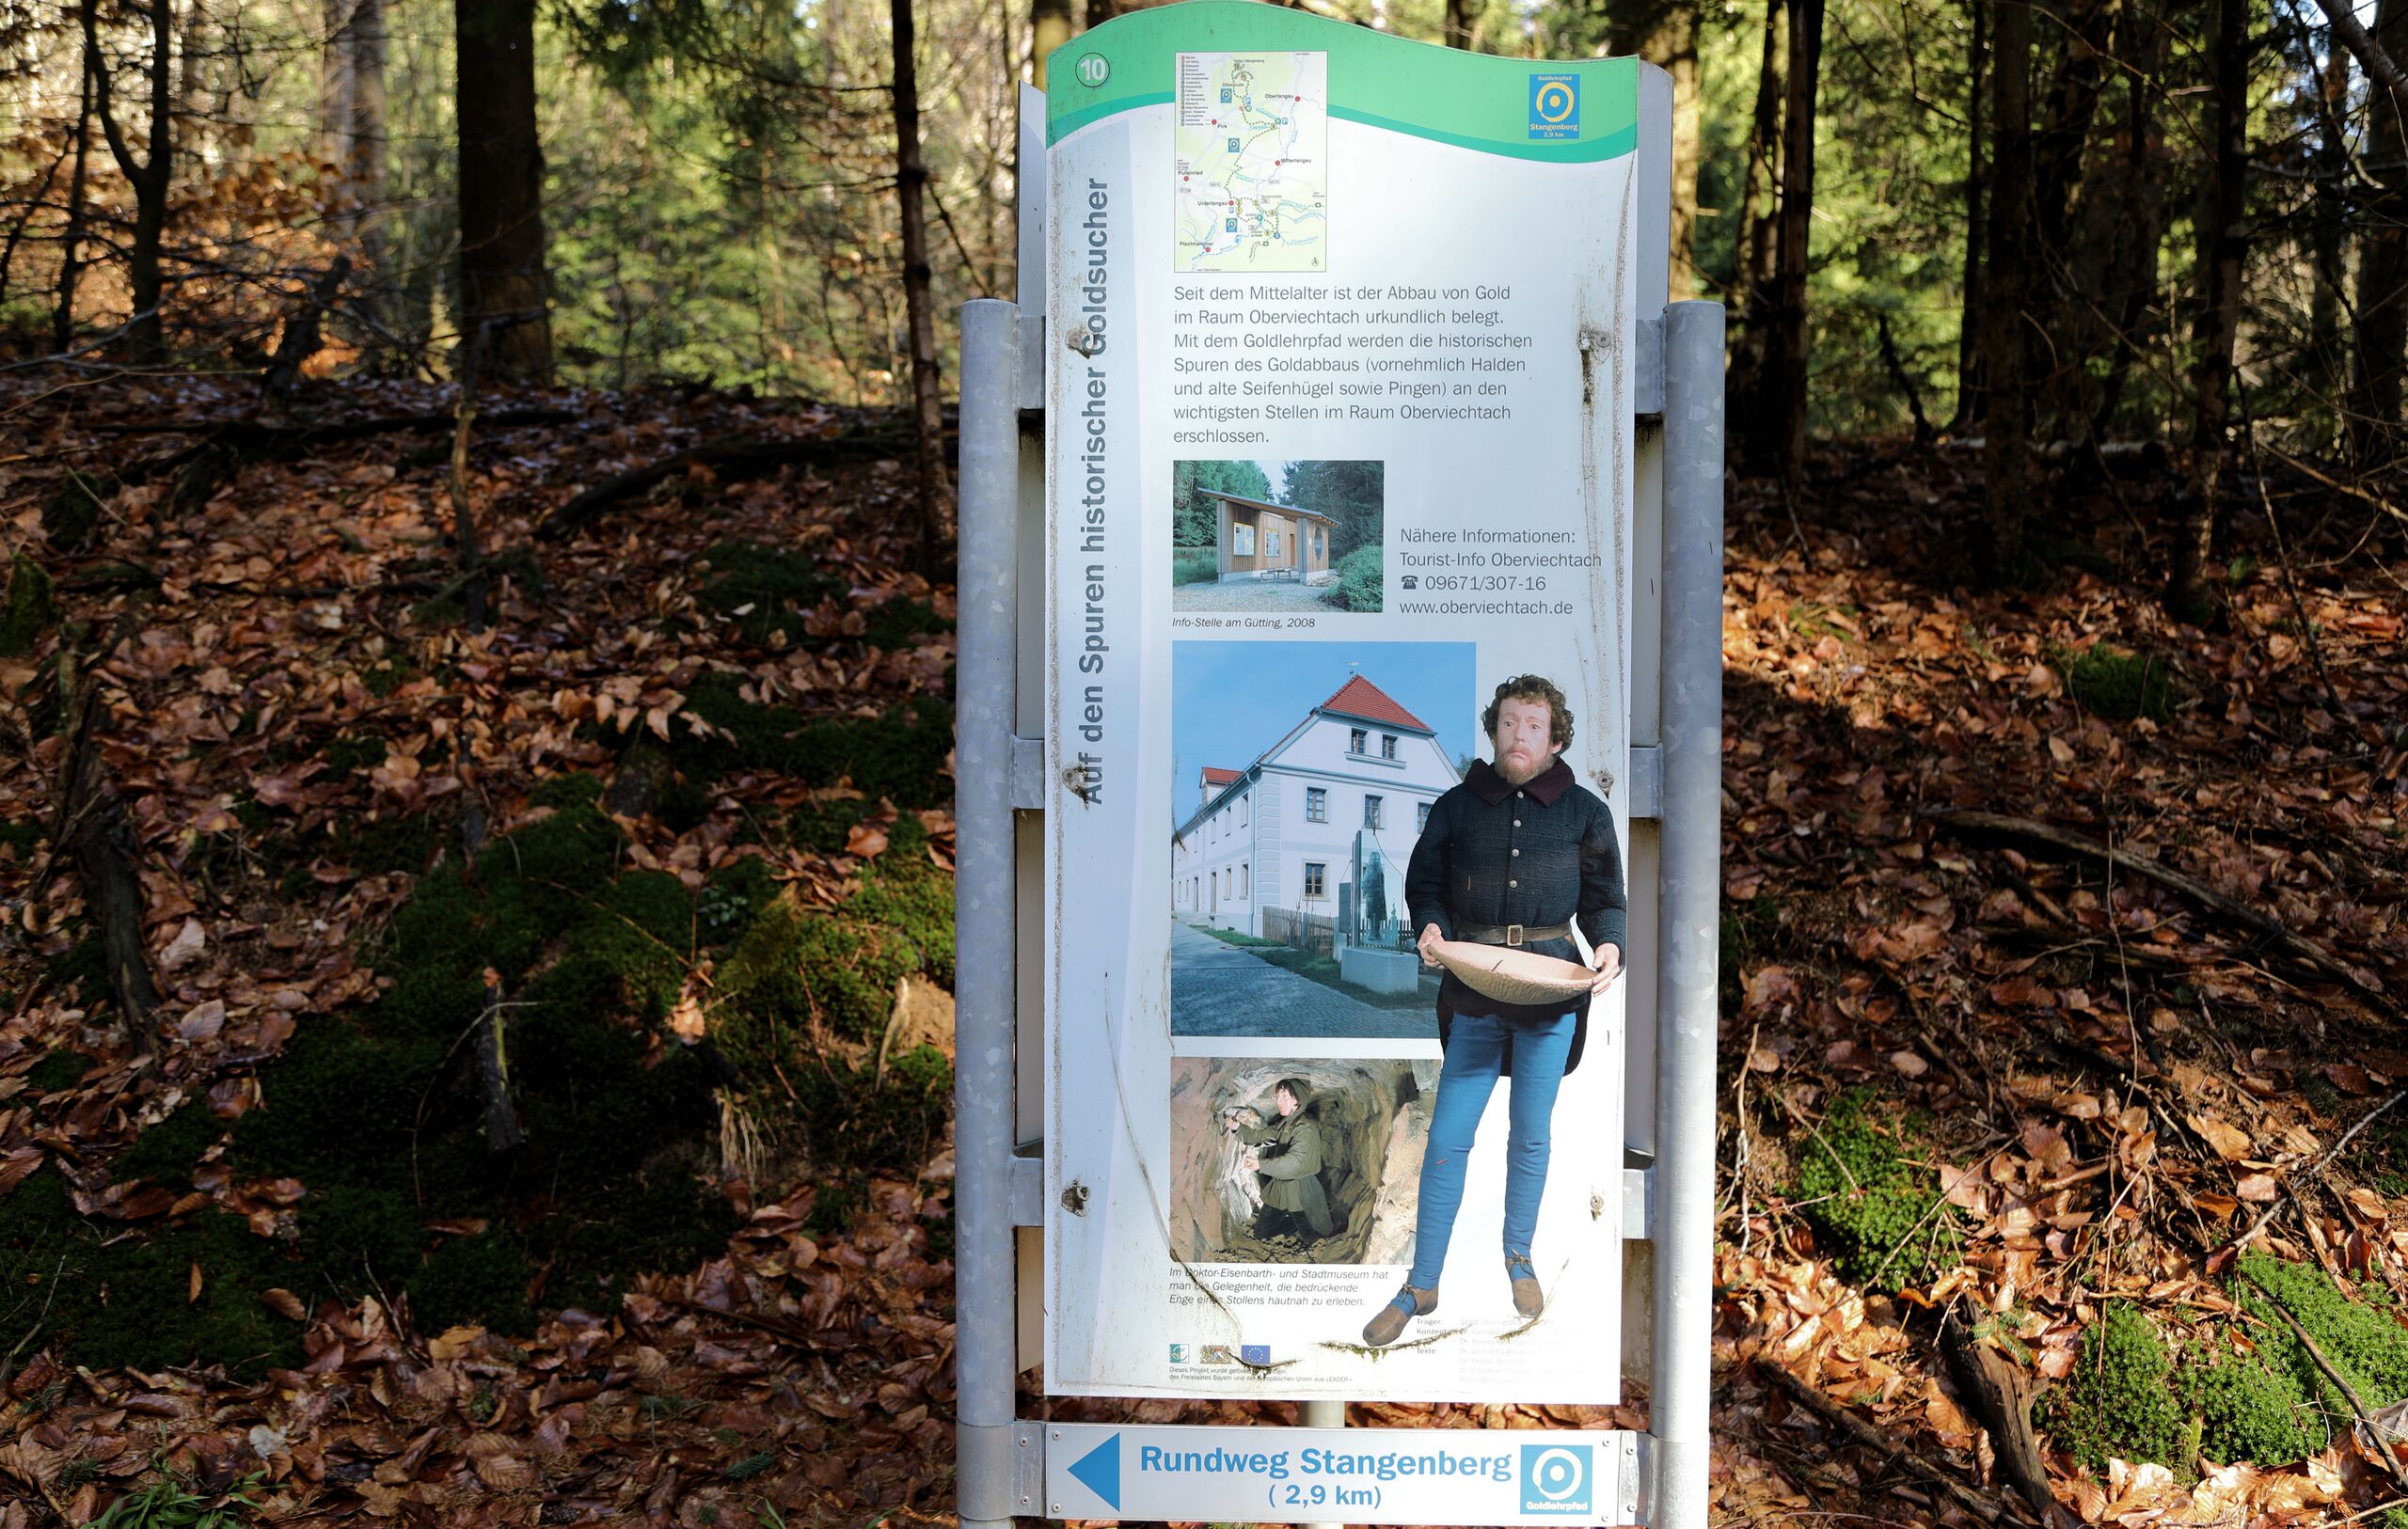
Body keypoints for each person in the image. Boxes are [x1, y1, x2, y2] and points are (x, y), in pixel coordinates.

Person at [1360, 675, 1625, 1347]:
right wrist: (1431, 926)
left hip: (1550, 992)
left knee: (1531, 1133)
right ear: (1494, 730)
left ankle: (1519, 1256)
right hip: (1474, 987)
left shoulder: (1586, 813)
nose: (1519, 735)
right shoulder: (1456, 807)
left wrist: (1609, 945)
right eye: (1509, 723)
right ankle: (1421, 1285)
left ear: (1555, 739)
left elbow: (1605, 900)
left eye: (1533, 725)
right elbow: (1426, 886)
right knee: (1447, 1138)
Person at [1228, 1078, 1334, 1242]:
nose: (1279, 1102)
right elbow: (1259, 1136)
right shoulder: (1285, 1124)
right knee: (1261, 1233)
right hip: (1280, 1188)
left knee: (1312, 1237)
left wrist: (1260, 1164)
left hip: (1301, 1190)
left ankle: (1304, 1224)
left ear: (1297, 1099)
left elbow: (1296, 1162)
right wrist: (1238, 1128)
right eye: (1278, 1097)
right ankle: (1292, 1223)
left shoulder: (1306, 1126)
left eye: (1285, 1096)